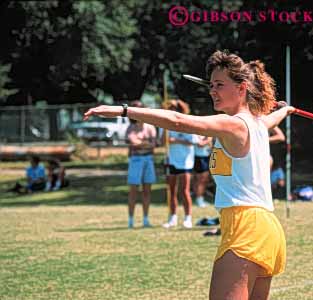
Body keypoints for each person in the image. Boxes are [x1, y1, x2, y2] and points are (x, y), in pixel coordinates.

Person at [83, 50, 295, 299]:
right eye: (211, 85)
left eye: (220, 85)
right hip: (263, 227)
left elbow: (177, 120)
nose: (212, 90)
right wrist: (286, 110)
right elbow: (271, 119)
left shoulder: (234, 124)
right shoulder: (257, 123)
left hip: (246, 227)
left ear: (242, 88)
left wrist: (123, 110)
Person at [162, 99, 197, 229]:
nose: (171, 110)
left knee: (185, 191)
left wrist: (175, 140)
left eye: (173, 108)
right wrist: (164, 133)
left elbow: (193, 141)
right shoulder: (166, 125)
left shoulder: (187, 124)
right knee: (171, 191)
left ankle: (188, 218)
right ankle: (173, 218)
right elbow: (162, 142)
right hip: (171, 160)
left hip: (185, 162)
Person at [125, 100, 157, 228]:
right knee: (133, 191)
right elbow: (133, 143)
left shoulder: (150, 127)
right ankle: (131, 220)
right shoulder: (130, 128)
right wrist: (145, 143)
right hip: (136, 160)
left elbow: (153, 145)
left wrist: (141, 143)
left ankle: (145, 219)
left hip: (148, 159)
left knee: (147, 191)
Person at [193, 134, 213, 207]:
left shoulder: (206, 131)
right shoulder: (194, 131)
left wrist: (208, 139)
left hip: (206, 156)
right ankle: (199, 199)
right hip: (199, 157)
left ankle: (199, 198)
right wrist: (208, 140)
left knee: (203, 180)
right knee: (201, 180)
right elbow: (200, 144)